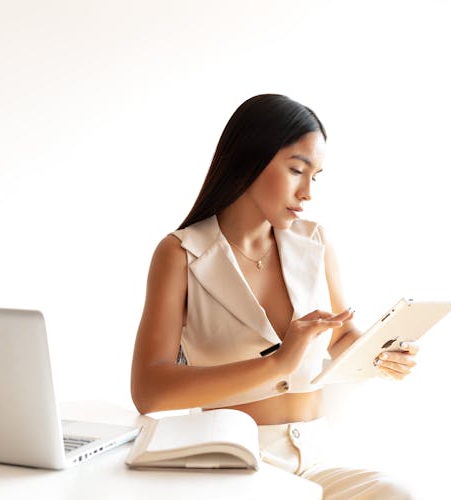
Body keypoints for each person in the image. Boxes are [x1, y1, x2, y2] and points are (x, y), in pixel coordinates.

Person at [130, 94, 418, 499]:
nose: (307, 193)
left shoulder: (315, 241)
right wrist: (279, 364)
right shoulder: (181, 254)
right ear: (249, 159)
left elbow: (341, 337)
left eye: (314, 176)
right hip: (235, 464)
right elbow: (150, 390)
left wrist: (382, 353)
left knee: (397, 492)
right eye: (297, 170)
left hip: (318, 460)